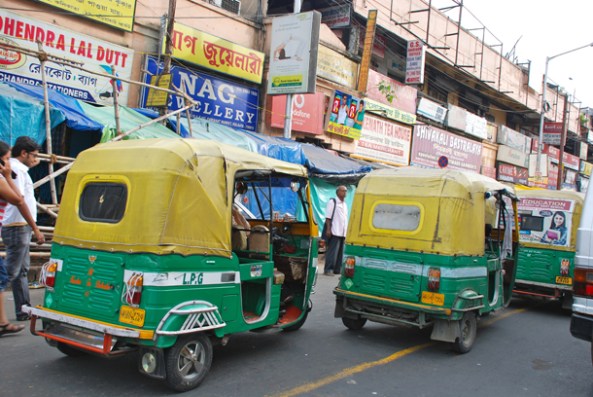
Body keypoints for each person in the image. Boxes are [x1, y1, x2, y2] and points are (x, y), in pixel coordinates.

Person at [0, 140, 44, 336]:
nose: (36, 159)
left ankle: (22, 309)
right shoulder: (13, 172)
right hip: (17, 226)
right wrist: (35, 228)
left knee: (19, 271)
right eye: (6, 159)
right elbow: (18, 200)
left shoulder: (15, 171)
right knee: (8, 273)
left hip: (19, 226)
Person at [323, 186, 348, 275]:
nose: (345, 193)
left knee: (340, 253)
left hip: (342, 232)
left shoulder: (344, 204)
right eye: (343, 191)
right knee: (332, 252)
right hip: (335, 231)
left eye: (346, 191)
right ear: (338, 192)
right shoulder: (333, 202)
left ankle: (337, 269)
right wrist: (328, 229)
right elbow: (328, 217)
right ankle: (328, 269)